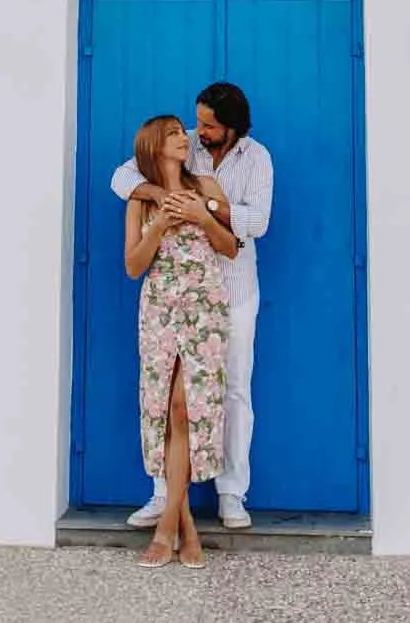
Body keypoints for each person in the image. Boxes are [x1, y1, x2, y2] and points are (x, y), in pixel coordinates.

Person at [113, 82, 273, 531]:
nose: (196, 131)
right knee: (166, 395)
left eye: (207, 125)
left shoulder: (256, 159)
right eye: (196, 121)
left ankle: (231, 493)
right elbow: (122, 178)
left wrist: (205, 207)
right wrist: (160, 198)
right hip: (174, 296)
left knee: (234, 389)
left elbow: (256, 223)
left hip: (234, 291)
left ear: (232, 129)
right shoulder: (181, 142)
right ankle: (163, 496)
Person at [123, 114, 238, 569]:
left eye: (181, 133)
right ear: (154, 145)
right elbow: (133, 266)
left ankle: (166, 526)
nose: (182, 139)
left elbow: (230, 246)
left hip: (204, 309)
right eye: (172, 134)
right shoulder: (139, 200)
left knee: (189, 407)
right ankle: (186, 526)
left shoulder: (207, 186)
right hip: (158, 311)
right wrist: (158, 227)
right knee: (165, 409)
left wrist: (198, 217)